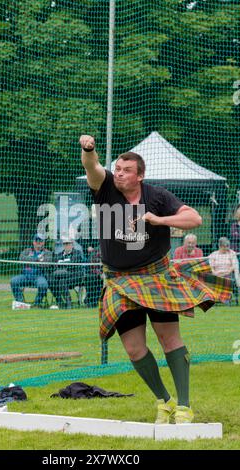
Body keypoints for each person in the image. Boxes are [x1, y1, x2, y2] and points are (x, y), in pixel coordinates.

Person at [79, 134, 232, 425]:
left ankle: (185, 406)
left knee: (168, 339)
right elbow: (92, 167)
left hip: (156, 277)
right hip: (119, 282)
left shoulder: (158, 196)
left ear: (140, 176)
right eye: (118, 169)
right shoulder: (105, 187)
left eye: (126, 170)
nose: (119, 173)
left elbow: (194, 218)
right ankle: (164, 400)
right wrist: (89, 149)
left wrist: (160, 220)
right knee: (134, 348)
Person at [10, 234, 52, 308]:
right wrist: (36, 260)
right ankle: (20, 302)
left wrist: (30, 262)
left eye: (40, 241)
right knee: (13, 281)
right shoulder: (27, 251)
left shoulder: (47, 252)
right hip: (25, 276)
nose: (38, 243)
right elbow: (22, 258)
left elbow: (47, 263)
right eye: (37, 241)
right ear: (33, 242)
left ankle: (37, 303)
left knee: (43, 284)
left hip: (39, 276)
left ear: (43, 242)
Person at [48, 237, 85, 309]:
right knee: (51, 281)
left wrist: (61, 263)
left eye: (68, 243)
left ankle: (68, 303)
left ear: (72, 244)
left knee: (62, 281)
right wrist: (65, 264)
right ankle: (60, 302)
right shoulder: (59, 254)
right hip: (61, 277)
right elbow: (55, 266)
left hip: (75, 276)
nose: (66, 245)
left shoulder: (77, 253)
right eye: (65, 244)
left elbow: (72, 265)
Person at [209, 237, 240, 305]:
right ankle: (217, 298)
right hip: (217, 274)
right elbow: (211, 267)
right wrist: (215, 273)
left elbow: (234, 265)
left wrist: (228, 271)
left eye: (227, 246)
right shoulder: (213, 254)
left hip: (228, 274)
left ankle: (227, 298)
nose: (226, 248)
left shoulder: (231, 253)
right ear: (220, 246)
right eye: (224, 246)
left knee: (228, 279)